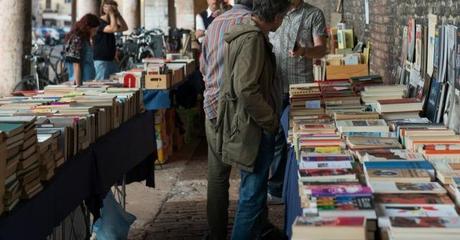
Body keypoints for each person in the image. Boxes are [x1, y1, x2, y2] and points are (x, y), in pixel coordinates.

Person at [217, 0, 291, 239]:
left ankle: (260, 232)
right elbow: (246, 88)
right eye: (283, 16)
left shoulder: (250, 34)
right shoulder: (253, 40)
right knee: (252, 193)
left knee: (254, 189)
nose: (282, 20)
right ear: (276, 16)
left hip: (251, 124)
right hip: (254, 127)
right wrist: (270, 120)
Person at [199, 1, 252, 239]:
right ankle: (250, 228)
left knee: (217, 175)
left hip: (213, 106)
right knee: (251, 171)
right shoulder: (253, 23)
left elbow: (203, 67)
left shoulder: (214, 24)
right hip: (243, 109)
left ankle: (217, 232)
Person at [267, 0, 328, 203]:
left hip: (302, 89)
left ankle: (300, 189)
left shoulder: (314, 14)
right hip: (276, 86)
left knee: (302, 139)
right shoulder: (275, 12)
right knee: (277, 139)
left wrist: (304, 51)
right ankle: (276, 190)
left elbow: (321, 49)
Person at [94, 0, 128, 80]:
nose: (114, 10)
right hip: (101, 61)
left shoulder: (110, 23)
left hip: (111, 60)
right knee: (100, 86)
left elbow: (125, 27)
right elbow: (113, 28)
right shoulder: (99, 22)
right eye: (112, 8)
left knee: (115, 84)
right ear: (104, 8)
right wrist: (111, 13)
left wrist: (118, 14)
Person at [64, 14, 100, 86]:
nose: (95, 33)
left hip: (86, 81)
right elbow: (76, 65)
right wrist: (79, 86)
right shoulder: (77, 39)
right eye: (94, 30)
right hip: (82, 82)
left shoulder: (83, 38)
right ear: (88, 27)